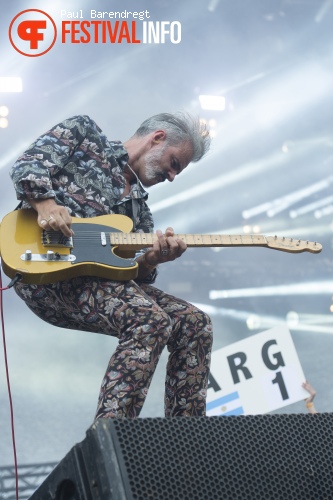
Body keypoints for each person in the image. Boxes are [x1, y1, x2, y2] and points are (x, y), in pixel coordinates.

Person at [10, 113, 213, 418]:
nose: (172, 177)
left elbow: (135, 279)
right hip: (43, 270)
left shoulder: (140, 211)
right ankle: (113, 435)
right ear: (157, 138)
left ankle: (188, 438)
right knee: (150, 320)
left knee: (195, 322)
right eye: (174, 164)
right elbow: (28, 164)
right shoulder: (85, 133)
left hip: (98, 286)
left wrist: (153, 258)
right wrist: (45, 204)